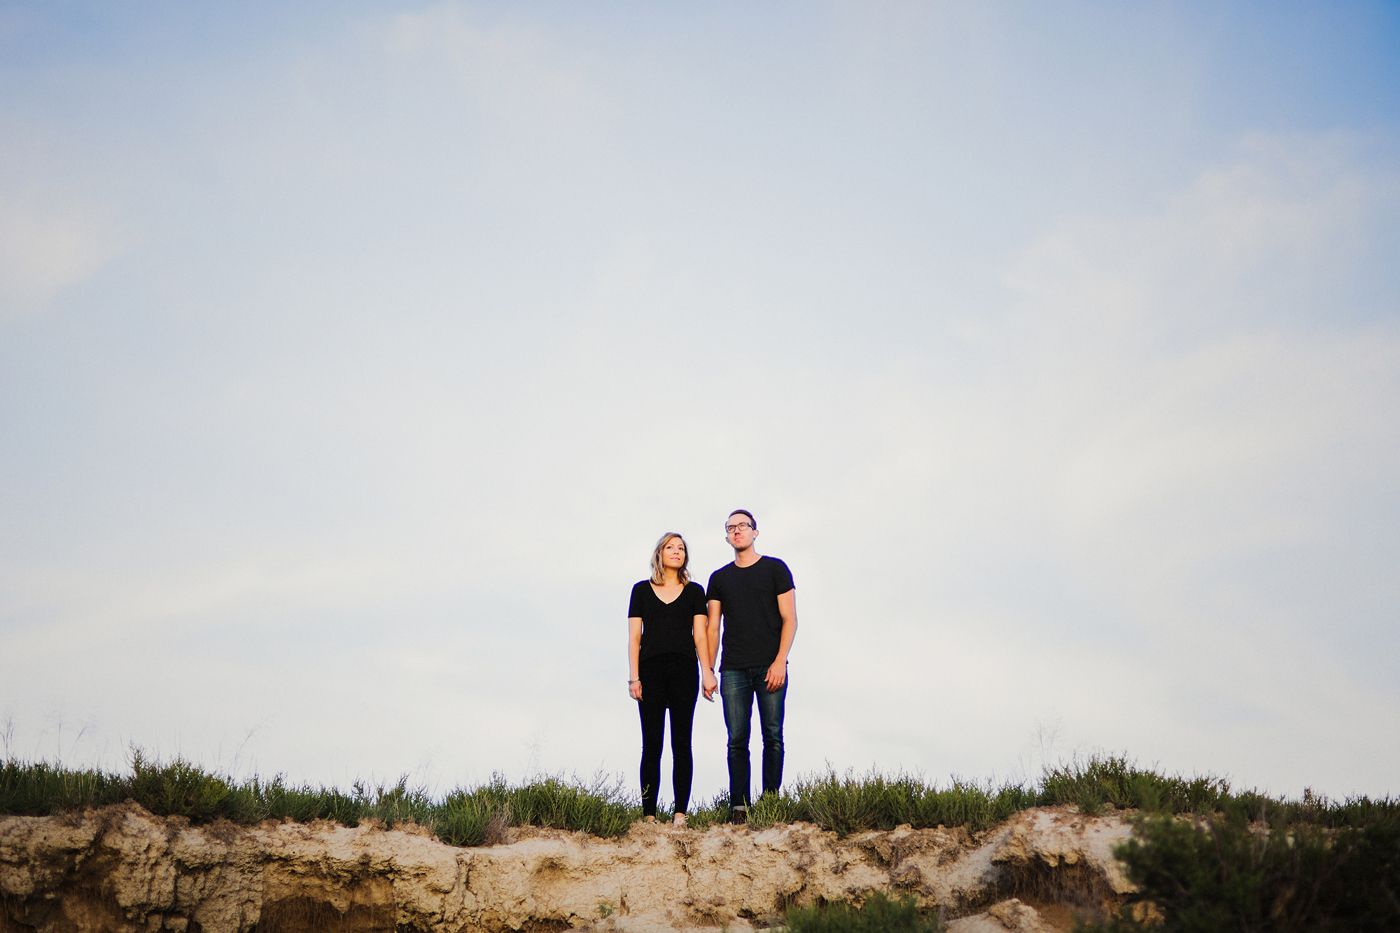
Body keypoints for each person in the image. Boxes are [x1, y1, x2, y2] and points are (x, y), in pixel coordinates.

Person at [703, 509, 797, 823]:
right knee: (736, 740)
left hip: (771, 665)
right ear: (727, 536)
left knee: (772, 735)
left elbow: (790, 619)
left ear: (755, 532)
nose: (736, 531)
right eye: (730, 528)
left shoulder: (775, 569)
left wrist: (780, 661)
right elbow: (712, 628)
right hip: (733, 669)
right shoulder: (719, 578)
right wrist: (709, 670)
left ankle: (771, 804)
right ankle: (739, 809)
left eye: (742, 526)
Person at [628, 532, 718, 826]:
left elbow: (701, 635)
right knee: (651, 745)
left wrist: (707, 672)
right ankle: (649, 815)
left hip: (684, 672)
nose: (676, 552)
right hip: (650, 672)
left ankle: (680, 814)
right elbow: (634, 638)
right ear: (660, 553)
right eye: (671, 547)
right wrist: (634, 677)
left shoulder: (695, 592)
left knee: (682, 743)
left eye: (681, 548)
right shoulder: (640, 590)